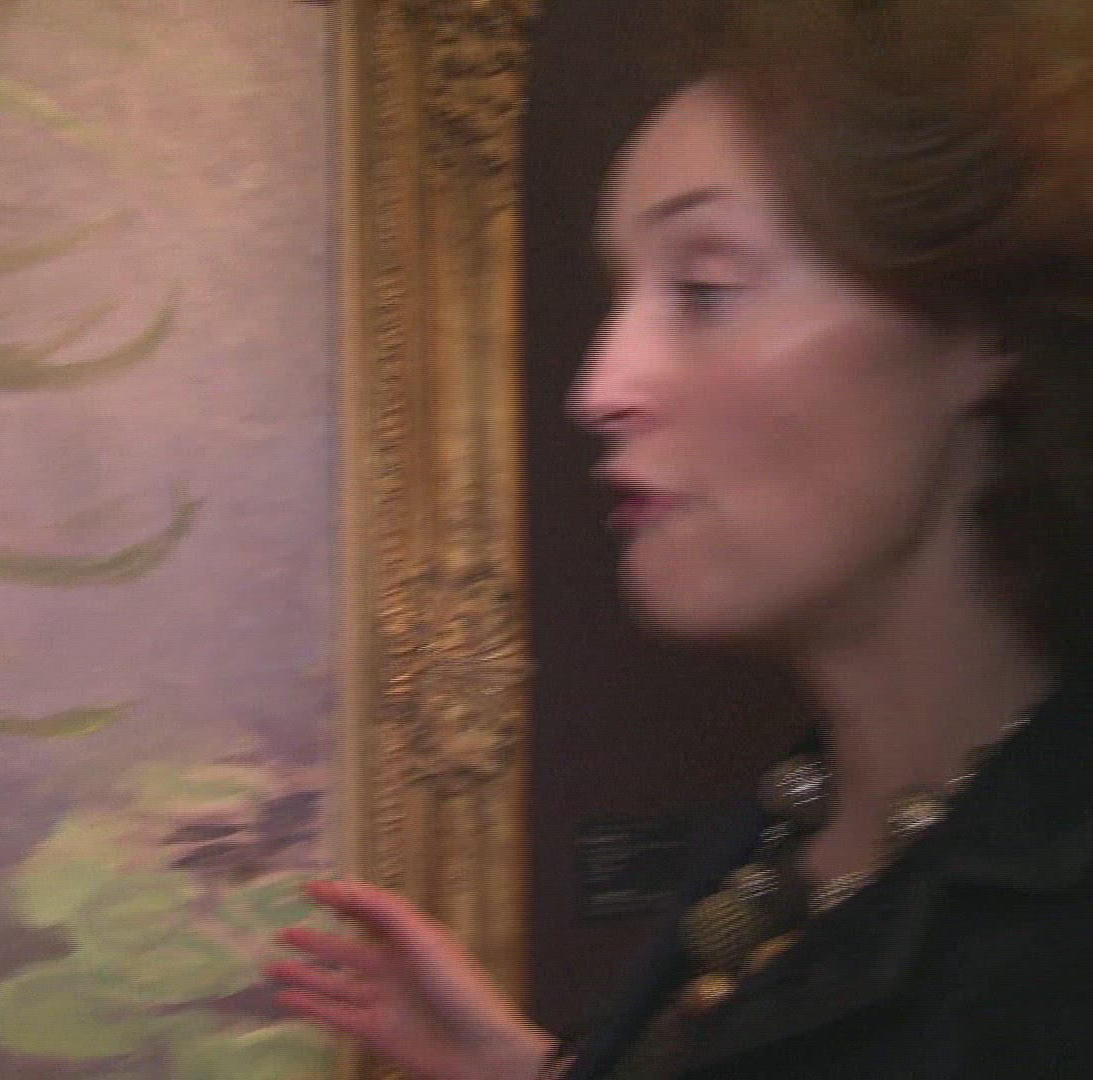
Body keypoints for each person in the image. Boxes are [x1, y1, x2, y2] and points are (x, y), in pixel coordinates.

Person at [269, 0, 1091, 1076]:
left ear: (985, 323)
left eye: (704, 290)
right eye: (623, 296)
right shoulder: (796, 821)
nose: (598, 388)